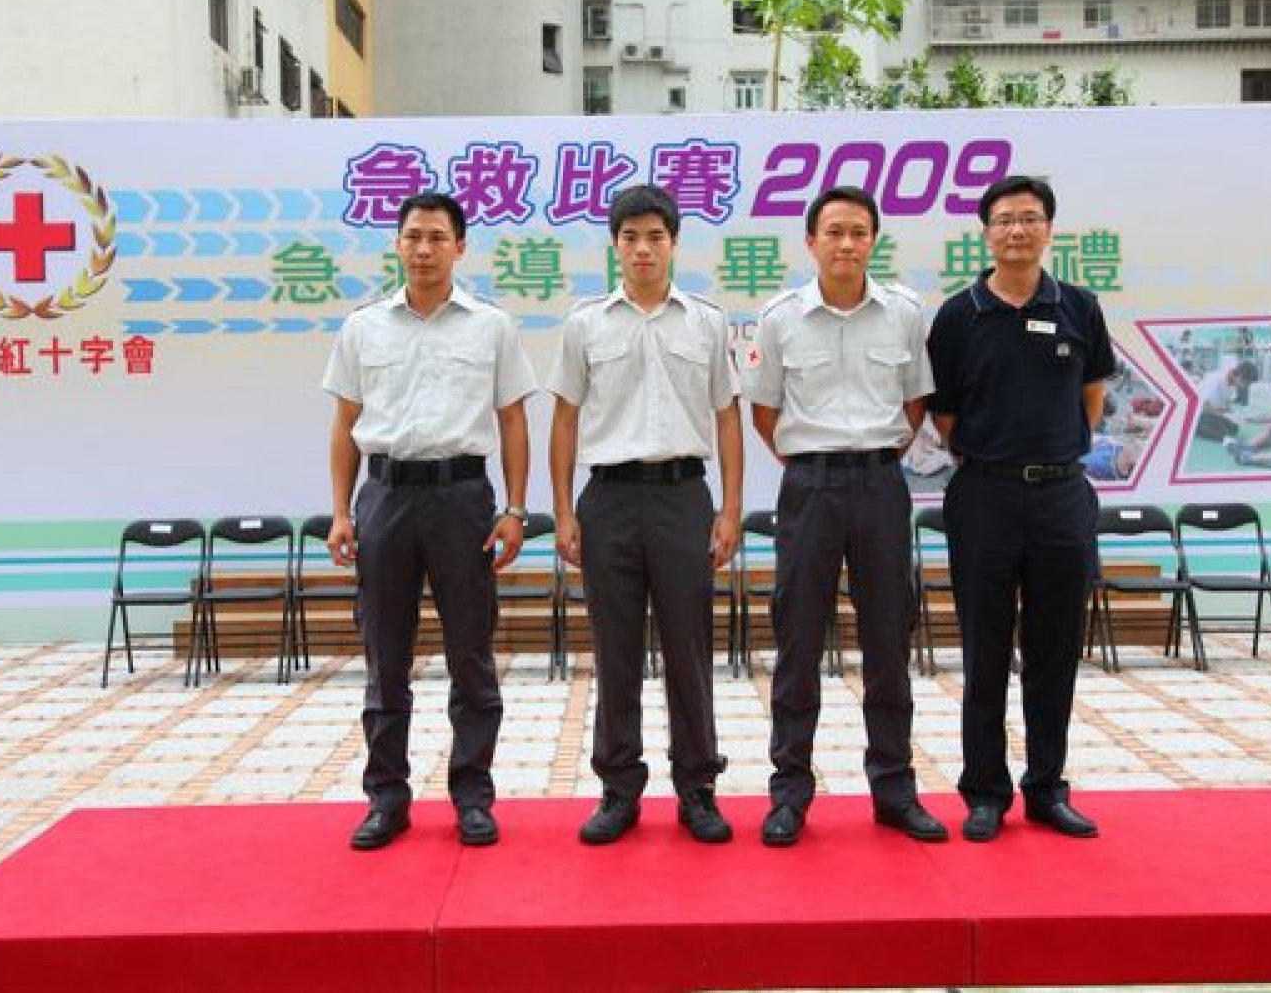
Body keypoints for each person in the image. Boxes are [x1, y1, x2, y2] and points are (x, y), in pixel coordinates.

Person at [323, 192, 536, 851]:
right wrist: (341, 511)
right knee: (385, 657)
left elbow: (513, 420)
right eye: (413, 236)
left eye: (437, 237)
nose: (423, 249)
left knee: (471, 655)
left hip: (461, 500)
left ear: (460, 247)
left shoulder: (491, 326)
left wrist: (515, 509)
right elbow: (345, 424)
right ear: (397, 243)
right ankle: (386, 798)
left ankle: (473, 797)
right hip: (385, 499)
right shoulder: (363, 328)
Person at [745, 186, 946, 848]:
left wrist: (871, 457)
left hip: (881, 485)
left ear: (873, 240)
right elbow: (765, 412)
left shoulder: (903, 314)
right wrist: (815, 460)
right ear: (811, 241)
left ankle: (894, 790)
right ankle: (789, 793)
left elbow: (915, 403)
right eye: (833, 232)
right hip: (809, 487)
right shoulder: (780, 318)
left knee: (888, 640)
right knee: (798, 641)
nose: (846, 244)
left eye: (859, 232)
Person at [548, 184, 744, 845]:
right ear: (615, 245)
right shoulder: (586, 324)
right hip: (607, 500)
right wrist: (562, 511)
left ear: (674, 243)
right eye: (630, 237)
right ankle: (618, 788)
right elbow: (565, 418)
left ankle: (697, 787)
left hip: (683, 497)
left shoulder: (706, 322)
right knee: (616, 649)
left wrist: (730, 509)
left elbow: (726, 416)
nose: (643, 249)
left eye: (655, 237)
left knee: (689, 646)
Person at [925, 174, 1114, 843]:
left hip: (1062, 495)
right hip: (985, 495)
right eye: (1004, 219)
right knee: (984, 649)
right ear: (986, 232)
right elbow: (945, 415)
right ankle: (984, 792)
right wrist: (996, 457)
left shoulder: (1079, 307)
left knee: (1054, 649)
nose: (1017, 230)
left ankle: (1046, 788)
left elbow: (1092, 399)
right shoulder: (958, 315)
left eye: (1030, 218)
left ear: (1048, 229)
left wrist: (1053, 452)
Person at [1194, 359, 1258, 441]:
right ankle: (1196, 428)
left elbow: (1224, 406)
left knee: (1234, 428)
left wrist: (1232, 415)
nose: (1245, 386)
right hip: (1199, 414)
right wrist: (1224, 415)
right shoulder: (1215, 379)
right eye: (1246, 382)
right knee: (1223, 433)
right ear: (1239, 375)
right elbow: (1204, 406)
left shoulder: (1232, 385)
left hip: (1212, 413)